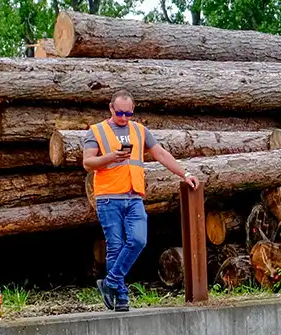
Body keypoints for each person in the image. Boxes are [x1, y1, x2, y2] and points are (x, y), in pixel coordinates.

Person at [80, 91, 202, 311]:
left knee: (138, 240)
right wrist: (110, 157)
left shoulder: (139, 130)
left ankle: (110, 282)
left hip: (134, 196)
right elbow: (88, 163)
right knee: (115, 246)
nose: (124, 118)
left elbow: (161, 154)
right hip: (108, 197)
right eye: (119, 113)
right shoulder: (97, 131)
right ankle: (121, 298)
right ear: (111, 108)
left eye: (128, 113)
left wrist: (184, 174)